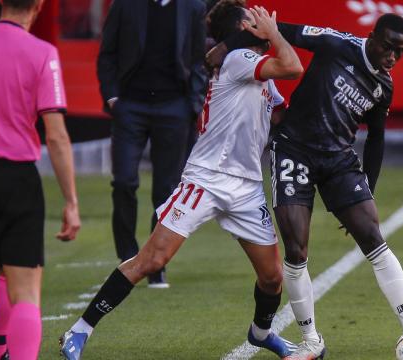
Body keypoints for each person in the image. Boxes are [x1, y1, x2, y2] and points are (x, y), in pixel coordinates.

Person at [60, 3, 303, 359]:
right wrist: (276, 33)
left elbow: (278, 113)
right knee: (152, 259)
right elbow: (293, 66)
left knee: (271, 277)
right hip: (206, 178)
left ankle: (261, 333)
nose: (261, 22)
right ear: (239, 29)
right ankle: (79, 330)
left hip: (247, 186)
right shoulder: (238, 61)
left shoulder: (248, 67)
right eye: (253, 19)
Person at [210, 13, 403, 359]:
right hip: (295, 149)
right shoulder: (336, 43)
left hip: (338, 159)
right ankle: (310, 341)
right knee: (296, 249)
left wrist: (369, 187)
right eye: (388, 46)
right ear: (372, 37)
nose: (392, 56)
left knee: (372, 235)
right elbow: (277, 32)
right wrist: (226, 46)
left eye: (400, 51)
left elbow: (376, 138)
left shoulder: (384, 85)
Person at [0, 0, 81, 358]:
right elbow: (55, 136)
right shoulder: (43, 53)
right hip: (15, 180)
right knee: (25, 292)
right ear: (39, 5)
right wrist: (71, 202)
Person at [97, 0, 208, 288]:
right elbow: (107, 53)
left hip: (175, 106)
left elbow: (198, 59)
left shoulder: (193, 7)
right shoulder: (125, 5)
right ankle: (128, 257)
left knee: (166, 189)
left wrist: (192, 105)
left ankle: (155, 264)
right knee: (123, 182)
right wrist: (112, 97)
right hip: (130, 105)